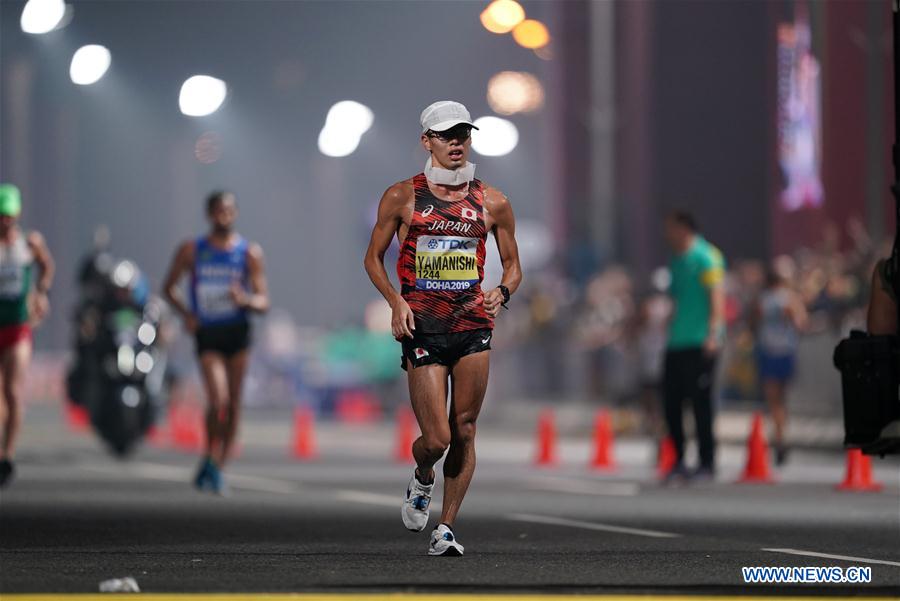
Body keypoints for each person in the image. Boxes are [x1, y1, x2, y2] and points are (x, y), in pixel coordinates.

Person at [364, 101, 521, 556]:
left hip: (472, 325)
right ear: (426, 140)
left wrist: (503, 292)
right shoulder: (402, 196)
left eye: (463, 134)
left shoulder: (493, 200)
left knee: (466, 429)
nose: (457, 142)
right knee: (437, 438)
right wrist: (396, 302)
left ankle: (446, 527)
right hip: (424, 327)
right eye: (446, 134)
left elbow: (513, 266)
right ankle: (422, 475)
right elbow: (372, 258)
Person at [162, 191, 269, 495]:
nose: (225, 215)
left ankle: (217, 467)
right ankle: (209, 454)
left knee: (234, 404)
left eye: (229, 210)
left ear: (235, 213)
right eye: (219, 210)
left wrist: (245, 299)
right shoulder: (192, 250)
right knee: (218, 400)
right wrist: (187, 314)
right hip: (208, 333)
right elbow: (169, 287)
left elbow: (264, 301)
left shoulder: (249, 252)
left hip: (237, 331)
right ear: (209, 214)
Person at [661, 211, 725, 483]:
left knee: (701, 405)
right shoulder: (676, 260)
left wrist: (713, 334)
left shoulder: (707, 256)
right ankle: (678, 460)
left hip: (701, 342)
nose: (667, 234)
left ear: (684, 228)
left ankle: (707, 462)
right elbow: (675, 301)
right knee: (671, 404)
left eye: (671, 228)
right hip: (676, 342)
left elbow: (717, 298)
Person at [0, 184, 55, 487]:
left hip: (18, 327)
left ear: (17, 213)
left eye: (8, 215)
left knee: (13, 391)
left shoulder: (29, 243)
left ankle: (7, 456)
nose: (4, 221)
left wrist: (41, 294)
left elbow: (47, 267)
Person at [753, 261, 807, 465]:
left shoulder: (762, 299)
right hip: (786, 351)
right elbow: (801, 322)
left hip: (768, 351)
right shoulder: (790, 298)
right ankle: (781, 434)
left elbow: (754, 324)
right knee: (782, 399)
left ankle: (779, 436)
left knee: (773, 400)